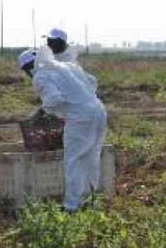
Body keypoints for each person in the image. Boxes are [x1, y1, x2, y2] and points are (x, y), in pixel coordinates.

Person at [18, 48, 108, 212]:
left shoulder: (40, 75)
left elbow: (54, 99)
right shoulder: (65, 66)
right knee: (91, 157)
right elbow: (92, 81)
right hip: (99, 109)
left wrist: (42, 112)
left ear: (28, 67)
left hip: (81, 116)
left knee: (73, 160)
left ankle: (71, 206)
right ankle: (91, 200)